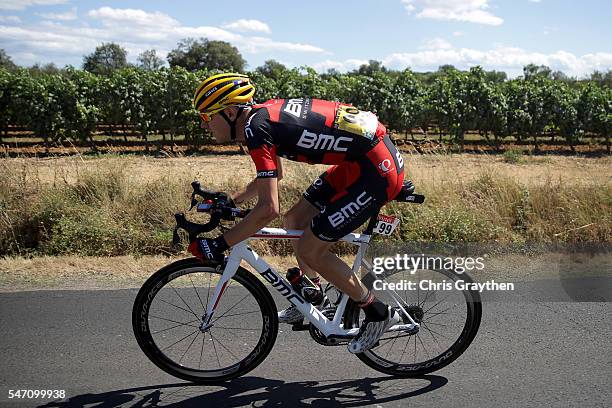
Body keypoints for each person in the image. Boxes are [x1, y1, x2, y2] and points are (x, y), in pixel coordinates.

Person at [189, 72, 405, 354]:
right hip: (360, 162)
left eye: (207, 117)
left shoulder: (256, 128)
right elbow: (275, 174)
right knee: (295, 220)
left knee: (312, 249)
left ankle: (379, 313)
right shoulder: (258, 120)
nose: (204, 125)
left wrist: (220, 243)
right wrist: (232, 200)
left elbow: (268, 209)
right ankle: (314, 296)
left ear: (230, 112)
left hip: (377, 172)